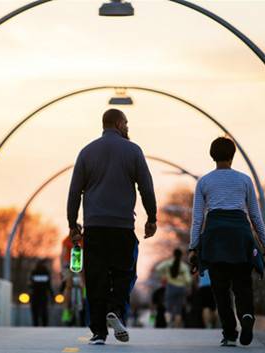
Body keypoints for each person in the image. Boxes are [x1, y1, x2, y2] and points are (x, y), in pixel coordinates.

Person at [67, 108, 157, 345]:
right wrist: (152, 217)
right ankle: (115, 309)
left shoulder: (86, 152)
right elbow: (146, 187)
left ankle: (98, 332)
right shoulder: (133, 150)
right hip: (122, 227)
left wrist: (72, 224)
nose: (128, 127)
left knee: (96, 278)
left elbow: (74, 191)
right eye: (126, 123)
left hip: (94, 227)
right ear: (118, 123)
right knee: (124, 272)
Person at [189, 136, 265, 347]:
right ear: (233, 156)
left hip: (215, 236)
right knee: (242, 285)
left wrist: (193, 247)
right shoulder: (244, 180)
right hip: (240, 235)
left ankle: (229, 333)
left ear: (212, 156)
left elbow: (198, 219)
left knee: (220, 289)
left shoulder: (204, 182)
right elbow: (255, 216)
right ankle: (246, 316)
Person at [155, 249, 191, 328]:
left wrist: (163, 276)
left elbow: (158, 268)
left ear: (173, 254)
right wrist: (186, 284)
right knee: (178, 308)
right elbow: (188, 280)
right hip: (181, 288)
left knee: (168, 307)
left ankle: (169, 324)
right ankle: (177, 326)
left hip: (170, 287)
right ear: (181, 256)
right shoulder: (184, 266)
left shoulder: (168, 263)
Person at [60, 232, 84, 325]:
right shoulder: (66, 240)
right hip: (68, 266)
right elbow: (63, 255)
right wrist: (62, 268)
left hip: (82, 266)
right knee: (68, 285)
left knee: (84, 284)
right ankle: (66, 310)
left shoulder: (84, 240)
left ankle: (84, 301)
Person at [29, 259, 54, 327]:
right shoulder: (45, 273)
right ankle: (43, 324)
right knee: (43, 311)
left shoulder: (34, 272)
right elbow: (49, 285)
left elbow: (30, 285)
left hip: (36, 295)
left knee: (38, 311)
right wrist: (52, 296)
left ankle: (37, 324)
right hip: (42, 295)